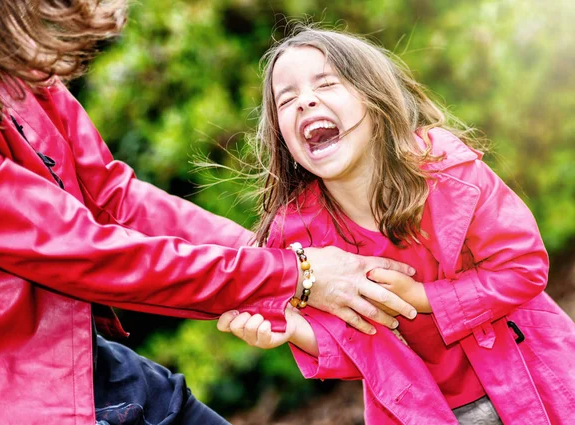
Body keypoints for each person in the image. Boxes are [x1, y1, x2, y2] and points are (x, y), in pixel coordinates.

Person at [0, 4, 421, 425]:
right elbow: (86, 252)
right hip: (16, 396)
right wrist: (295, 276)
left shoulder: (23, 75)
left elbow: (115, 198)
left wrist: (281, 256)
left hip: (88, 362)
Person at [217, 27, 575, 425]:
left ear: (375, 99)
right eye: (287, 99)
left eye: (326, 83)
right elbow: (361, 347)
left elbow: (523, 269)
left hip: (534, 380)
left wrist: (421, 296)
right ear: (285, 141)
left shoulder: (447, 172)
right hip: (423, 412)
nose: (306, 101)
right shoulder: (300, 237)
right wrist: (293, 330)